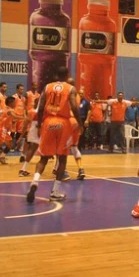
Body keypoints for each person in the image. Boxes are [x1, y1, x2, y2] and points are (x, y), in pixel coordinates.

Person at [26, 67, 82, 204]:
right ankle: (55, 192)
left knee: (43, 158)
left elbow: (41, 106)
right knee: (62, 159)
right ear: (67, 75)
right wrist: (80, 123)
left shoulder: (47, 87)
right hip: (63, 123)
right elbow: (74, 107)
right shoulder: (71, 89)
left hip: (48, 122)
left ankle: (35, 182)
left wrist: (39, 124)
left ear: (57, 75)